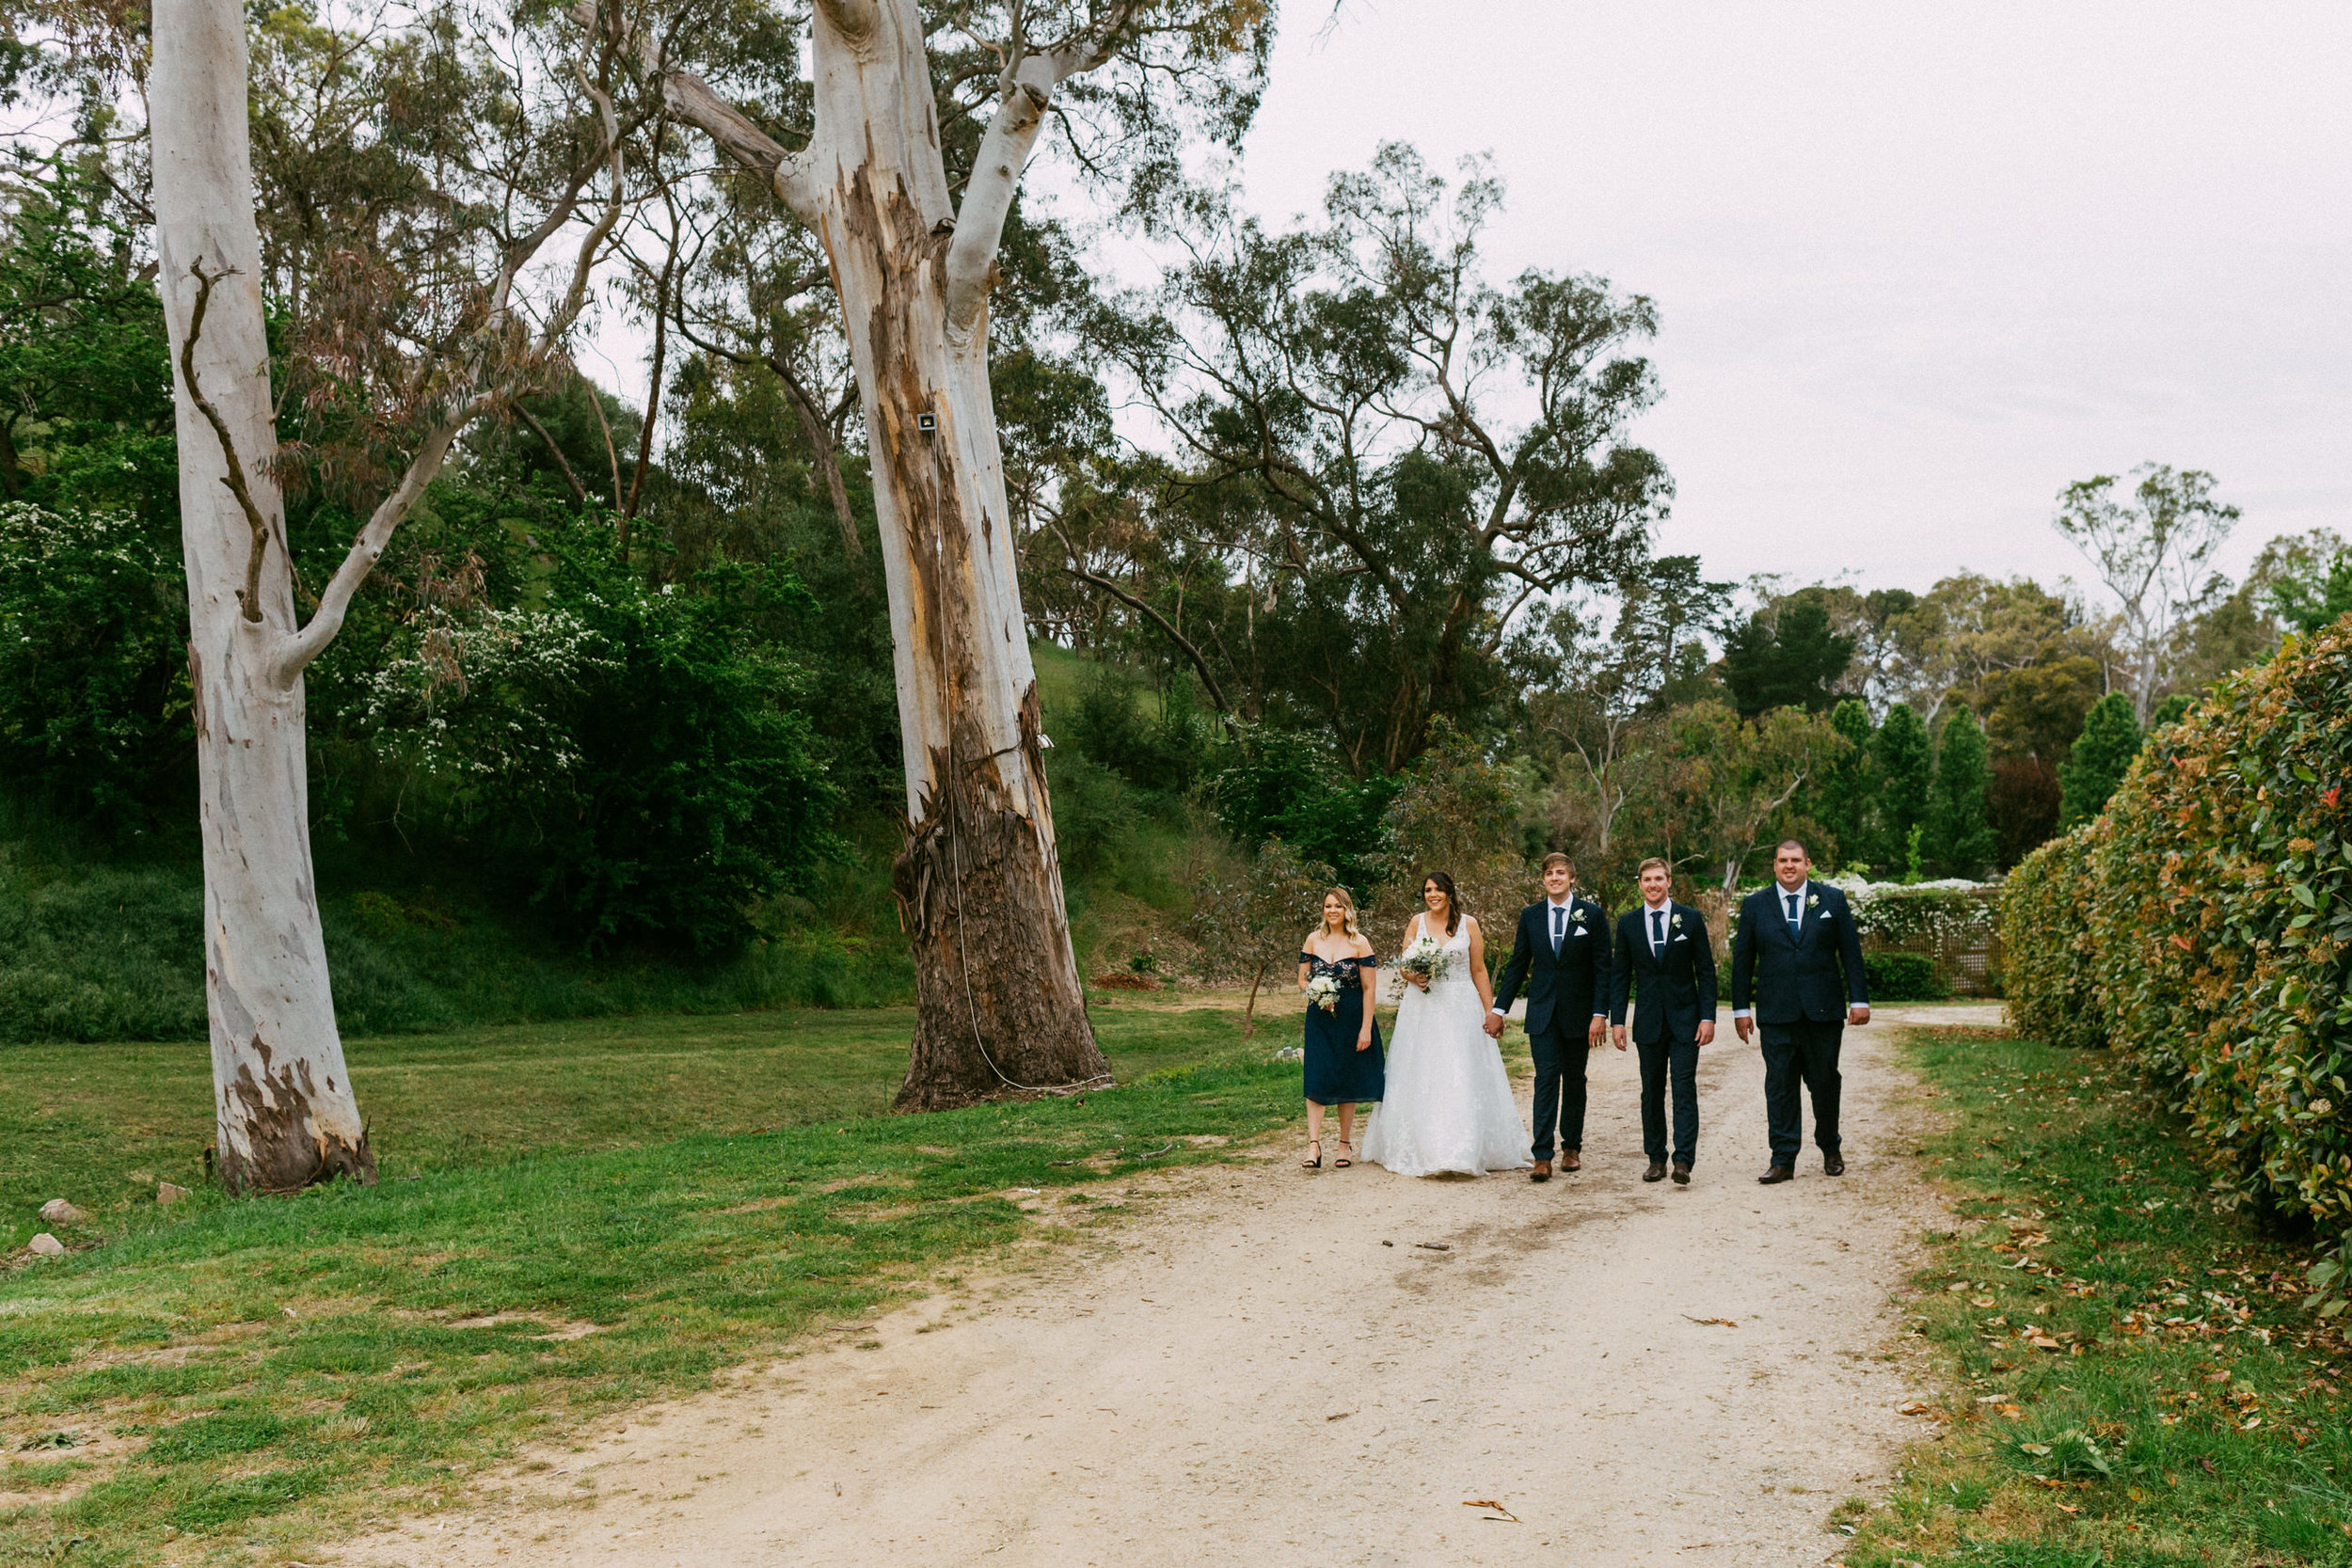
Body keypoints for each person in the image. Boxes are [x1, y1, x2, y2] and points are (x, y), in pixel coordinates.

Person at [1359, 872, 1530, 1178]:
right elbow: (1404, 965)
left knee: (1461, 1072)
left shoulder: (1470, 924)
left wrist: (1492, 1011)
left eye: (1438, 889)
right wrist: (1414, 976)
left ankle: (1463, 1149)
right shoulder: (1417, 922)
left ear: (1450, 893)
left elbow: (1478, 969)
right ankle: (1428, 1147)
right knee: (1425, 1072)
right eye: (1427, 890)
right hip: (1423, 1007)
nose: (1432, 894)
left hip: (1461, 1006)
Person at [1732, 839, 1870, 1184]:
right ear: (1774, 865)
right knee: (1779, 1086)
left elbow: (1850, 953)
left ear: (1808, 863)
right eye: (1782, 860)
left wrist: (1860, 1000)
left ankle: (1830, 1148)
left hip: (1822, 1012)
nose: (1789, 866)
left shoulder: (1832, 900)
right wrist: (1740, 1009)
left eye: (1795, 860)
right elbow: (1742, 962)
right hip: (1776, 1014)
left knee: (1824, 1084)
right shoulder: (1754, 905)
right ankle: (1782, 1159)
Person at [1486, 852, 1611, 1182]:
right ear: (1543, 880)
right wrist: (1499, 1010)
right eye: (1548, 873)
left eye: (1560, 873)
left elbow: (1603, 968)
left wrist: (1600, 1014)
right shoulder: (1531, 916)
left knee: (1574, 1080)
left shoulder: (1592, 915)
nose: (1554, 877)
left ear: (1572, 878)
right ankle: (1542, 1154)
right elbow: (1518, 964)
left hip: (1579, 1014)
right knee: (1544, 1079)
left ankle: (1572, 1148)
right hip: (1542, 1012)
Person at [1610, 858, 1718, 1185]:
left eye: (1659, 878)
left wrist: (1708, 1017)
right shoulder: (1627, 924)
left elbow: (1706, 973)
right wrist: (1618, 1021)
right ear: (1639, 883)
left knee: (1684, 1088)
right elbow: (1620, 976)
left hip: (1686, 1020)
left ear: (1669, 881)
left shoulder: (1691, 919)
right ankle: (1655, 1158)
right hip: (1648, 1021)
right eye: (1647, 879)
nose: (1653, 884)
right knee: (1651, 1091)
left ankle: (1683, 1159)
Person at [1296, 888, 1383, 1169]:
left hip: (1351, 1017)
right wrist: (1317, 994)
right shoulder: (1313, 939)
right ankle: (1313, 1145)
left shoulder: (1360, 943)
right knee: (1317, 1076)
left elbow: (1369, 989)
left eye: (1337, 906)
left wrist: (1366, 1028)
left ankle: (1344, 1144)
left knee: (1347, 1077)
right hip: (1319, 1018)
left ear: (1347, 910)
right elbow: (1302, 979)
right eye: (1327, 906)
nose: (1332, 911)